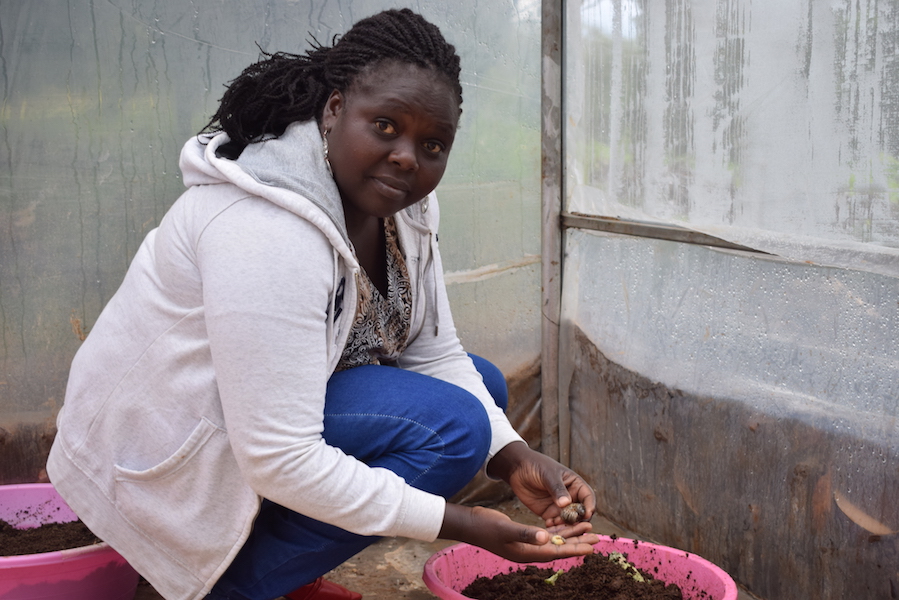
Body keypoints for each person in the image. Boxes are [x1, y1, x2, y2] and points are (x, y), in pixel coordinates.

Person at [46, 8, 598, 600]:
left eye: (432, 144)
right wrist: (455, 524)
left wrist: (512, 455)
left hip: (249, 428)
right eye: (385, 126)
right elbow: (279, 456)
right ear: (334, 109)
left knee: (478, 390)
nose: (409, 156)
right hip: (166, 456)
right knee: (450, 428)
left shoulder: (405, 210)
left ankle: (274, 565)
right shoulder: (266, 229)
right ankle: (218, 586)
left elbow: (434, 353)